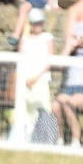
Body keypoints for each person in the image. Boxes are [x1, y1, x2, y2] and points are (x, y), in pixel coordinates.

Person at [18, 7, 53, 141]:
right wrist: (25, 78)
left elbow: (49, 61)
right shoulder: (25, 38)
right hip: (25, 79)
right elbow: (20, 58)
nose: (37, 26)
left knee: (44, 109)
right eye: (34, 23)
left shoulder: (47, 37)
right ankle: (24, 138)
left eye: (39, 23)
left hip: (41, 79)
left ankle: (47, 139)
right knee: (25, 110)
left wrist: (36, 78)